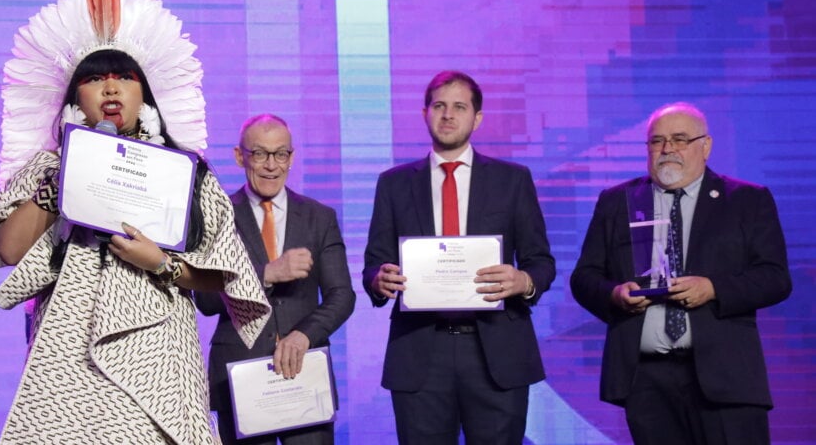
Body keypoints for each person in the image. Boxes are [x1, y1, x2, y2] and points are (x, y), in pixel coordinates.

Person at [0, 0, 270, 444]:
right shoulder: (49, 165)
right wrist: (62, 185)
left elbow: (227, 277)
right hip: (67, 350)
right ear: (75, 96)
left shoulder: (187, 171)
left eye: (122, 77)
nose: (110, 89)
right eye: (94, 80)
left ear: (144, 92)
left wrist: (162, 264)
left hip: (160, 345)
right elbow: (8, 249)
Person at [570, 101, 793, 444]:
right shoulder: (618, 201)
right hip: (646, 381)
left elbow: (775, 278)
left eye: (679, 139)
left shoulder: (747, 200)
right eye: (657, 141)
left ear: (705, 146)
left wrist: (714, 288)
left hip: (726, 376)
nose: (667, 149)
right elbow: (584, 278)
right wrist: (614, 295)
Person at [362, 70, 556, 444]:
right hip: (421, 351)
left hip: (496, 352)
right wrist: (378, 279)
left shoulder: (512, 180)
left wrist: (524, 281)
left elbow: (541, 261)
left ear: (476, 118)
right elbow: (374, 261)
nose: (448, 115)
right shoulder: (394, 183)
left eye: (459, 107)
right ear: (425, 114)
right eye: (439, 106)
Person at [196, 114, 356, 444]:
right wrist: (266, 273)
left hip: (304, 372)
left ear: (291, 158)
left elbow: (343, 296)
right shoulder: (219, 214)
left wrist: (304, 335)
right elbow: (207, 301)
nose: (271, 165)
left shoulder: (319, 217)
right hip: (241, 375)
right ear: (240, 156)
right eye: (260, 153)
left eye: (280, 153)